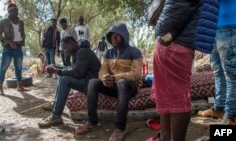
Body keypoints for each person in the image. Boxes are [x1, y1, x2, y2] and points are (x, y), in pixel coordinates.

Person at [150, 0, 219, 141]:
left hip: (172, 43)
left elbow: (180, 5)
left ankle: (166, 137)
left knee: (172, 97)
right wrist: (165, 35)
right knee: (173, 97)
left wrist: (163, 34)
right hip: (176, 43)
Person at [75, 23, 143, 141]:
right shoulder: (108, 53)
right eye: (112, 36)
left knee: (122, 83)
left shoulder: (134, 51)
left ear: (125, 37)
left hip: (129, 87)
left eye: (117, 36)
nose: (114, 38)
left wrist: (115, 77)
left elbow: (135, 74)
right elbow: (102, 70)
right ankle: (92, 121)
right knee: (93, 82)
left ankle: (120, 128)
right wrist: (105, 78)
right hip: (113, 86)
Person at [38, 36, 101, 127]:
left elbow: (77, 72)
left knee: (65, 79)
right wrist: (56, 67)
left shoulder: (83, 52)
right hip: (87, 80)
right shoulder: (78, 52)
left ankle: (56, 116)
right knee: (63, 77)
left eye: (65, 48)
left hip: (91, 85)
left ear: (72, 44)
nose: (64, 50)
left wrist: (56, 71)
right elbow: (73, 68)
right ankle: (55, 105)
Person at [198, 0, 236, 125]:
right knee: (218, 72)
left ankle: (231, 116)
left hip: (230, 24)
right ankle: (219, 108)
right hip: (215, 27)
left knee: (231, 75)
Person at [0, 0, 28, 95]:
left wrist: (22, 41)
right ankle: (0, 88)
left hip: (18, 47)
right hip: (8, 48)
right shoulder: (3, 22)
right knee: (3, 68)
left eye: (17, 10)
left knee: (18, 67)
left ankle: (19, 86)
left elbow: (22, 33)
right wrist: (8, 41)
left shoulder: (21, 22)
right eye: (14, 10)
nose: (17, 11)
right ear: (9, 11)